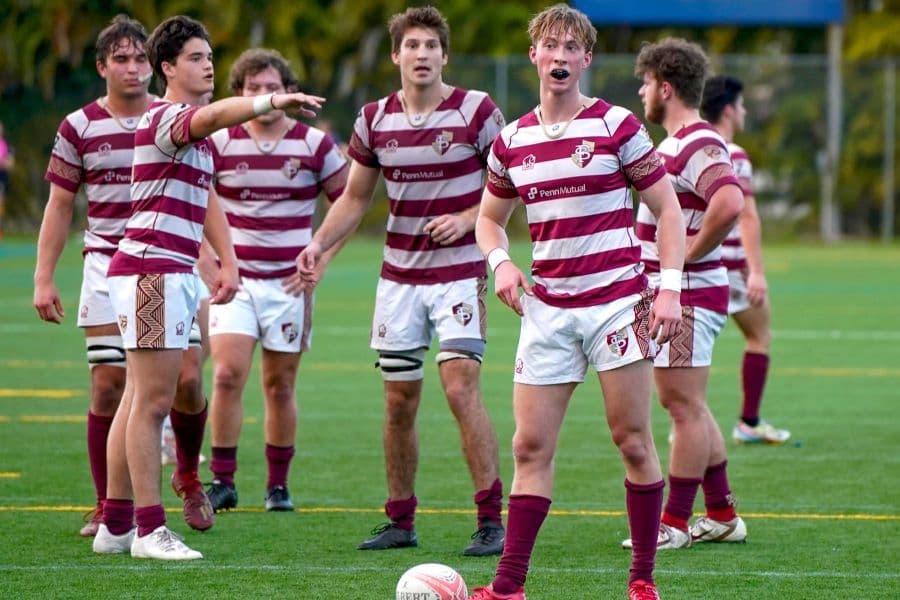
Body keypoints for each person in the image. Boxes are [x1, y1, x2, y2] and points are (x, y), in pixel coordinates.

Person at [465, 6, 686, 599]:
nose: (559, 56)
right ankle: (509, 586)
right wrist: (502, 263)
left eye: (571, 47)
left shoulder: (616, 126)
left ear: (587, 59)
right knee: (528, 446)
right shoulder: (512, 141)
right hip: (547, 310)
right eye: (549, 46)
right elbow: (489, 221)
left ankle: (642, 579)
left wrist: (669, 288)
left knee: (633, 440)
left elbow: (668, 210)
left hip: (616, 303)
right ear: (533, 55)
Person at [89, 15, 324, 560]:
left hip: (167, 271)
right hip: (152, 270)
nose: (209, 64)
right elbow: (218, 114)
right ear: (167, 68)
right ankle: (149, 530)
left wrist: (228, 260)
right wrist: (271, 102)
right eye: (196, 57)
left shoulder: (195, 134)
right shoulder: (171, 117)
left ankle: (117, 525)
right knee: (151, 403)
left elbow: (207, 197)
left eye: (210, 55)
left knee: (136, 400)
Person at [296, 5, 506, 556]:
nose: (421, 55)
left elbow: (510, 185)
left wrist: (466, 220)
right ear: (396, 56)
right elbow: (356, 198)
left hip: (459, 273)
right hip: (399, 280)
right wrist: (317, 244)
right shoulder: (374, 120)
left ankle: (490, 520)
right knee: (397, 403)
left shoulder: (477, 112)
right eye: (411, 46)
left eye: (431, 46)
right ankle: (401, 520)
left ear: (444, 55)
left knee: (461, 387)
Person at [33, 14, 213, 538]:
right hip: (125, 263)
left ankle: (182, 477)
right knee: (116, 385)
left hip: (171, 261)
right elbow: (60, 203)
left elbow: (208, 196)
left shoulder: (181, 119)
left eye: (139, 58)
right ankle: (115, 510)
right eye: (122, 59)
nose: (132, 68)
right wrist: (45, 276)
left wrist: (219, 257)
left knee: (183, 380)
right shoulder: (82, 126)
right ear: (102, 67)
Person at [203, 48, 349, 513]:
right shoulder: (220, 142)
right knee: (226, 375)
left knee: (279, 387)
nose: (264, 96)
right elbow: (195, 202)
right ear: (240, 94)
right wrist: (211, 257)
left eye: (273, 88)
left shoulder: (314, 145)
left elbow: (349, 204)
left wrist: (322, 259)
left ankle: (277, 486)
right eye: (254, 89)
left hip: (290, 285)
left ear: (289, 92)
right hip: (236, 282)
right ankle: (222, 480)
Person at [626, 37, 747, 552]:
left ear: (666, 87)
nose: (641, 91)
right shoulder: (672, 146)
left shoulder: (698, 142)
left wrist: (686, 255)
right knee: (688, 403)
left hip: (692, 295)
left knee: (682, 406)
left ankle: (673, 523)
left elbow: (728, 200)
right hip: (684, 293)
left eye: (646, 82)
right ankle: (720, 514)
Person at [700, 75, 789, 445]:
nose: (745, 111)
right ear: (728, 110)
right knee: (760, 336)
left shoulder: (684, 147)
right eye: (741, 105)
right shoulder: (732, 155)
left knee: (693, 345)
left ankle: (686, 423)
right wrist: (757, 273)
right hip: (731, 267)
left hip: (696, 265)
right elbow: (747, 216)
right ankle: (748, 422)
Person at [0, 121, 13, 239]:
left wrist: (3, 162)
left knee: (0, 204)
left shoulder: (6, 145)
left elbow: (10, 163)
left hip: (1, 179)